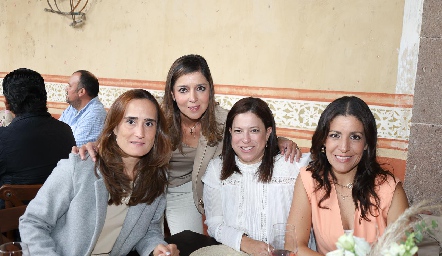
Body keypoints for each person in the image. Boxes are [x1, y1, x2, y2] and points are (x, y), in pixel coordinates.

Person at [76, 54, 302, 235]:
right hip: (146, 182)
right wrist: (96, 145)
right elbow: (125, 133)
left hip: (184, 189)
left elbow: (250, 131)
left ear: (210, 90)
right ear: (173, 94)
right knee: (127, 237)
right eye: (184, 90)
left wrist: (279, 141)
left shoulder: (224, 121)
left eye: (200, 88)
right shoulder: (157, 117)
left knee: (186, 244)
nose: (193, 99)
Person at [19, 89, 179, 256]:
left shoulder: (156, 176)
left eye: (149, 123)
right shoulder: (79, 167)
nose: (140, 133)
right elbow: (32, 223)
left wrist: (156, 248)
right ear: (115, 127)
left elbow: (147, 229)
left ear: (157, 131)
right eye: (131, 121)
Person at [286, 96, 409, 255]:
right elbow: (293, 245)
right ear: (324, 140)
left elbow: (406, 252)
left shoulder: (391, 190)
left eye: (355, 137)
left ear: (366, 144)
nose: (344, 147)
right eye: (335, 135)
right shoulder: (309, 180)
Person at [202, 97, 313, 255]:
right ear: (230, 133)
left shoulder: (292, 165)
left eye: (254, 130)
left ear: (268, 133)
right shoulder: (216, 169)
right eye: (238, 131)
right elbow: (214, 224)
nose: (246, 139)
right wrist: (244, 242)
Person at [0, 68, 75, 209]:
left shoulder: (4, 138)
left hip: (12, 225)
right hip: (55, 221)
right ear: (43, 97)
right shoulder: (65, 131)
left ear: (7, 103)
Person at [59, 70, 107, 146]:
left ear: (81, 92)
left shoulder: (95, 114)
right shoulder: (72, 108)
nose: (66, 89)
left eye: (70, 86)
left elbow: (73, 148)